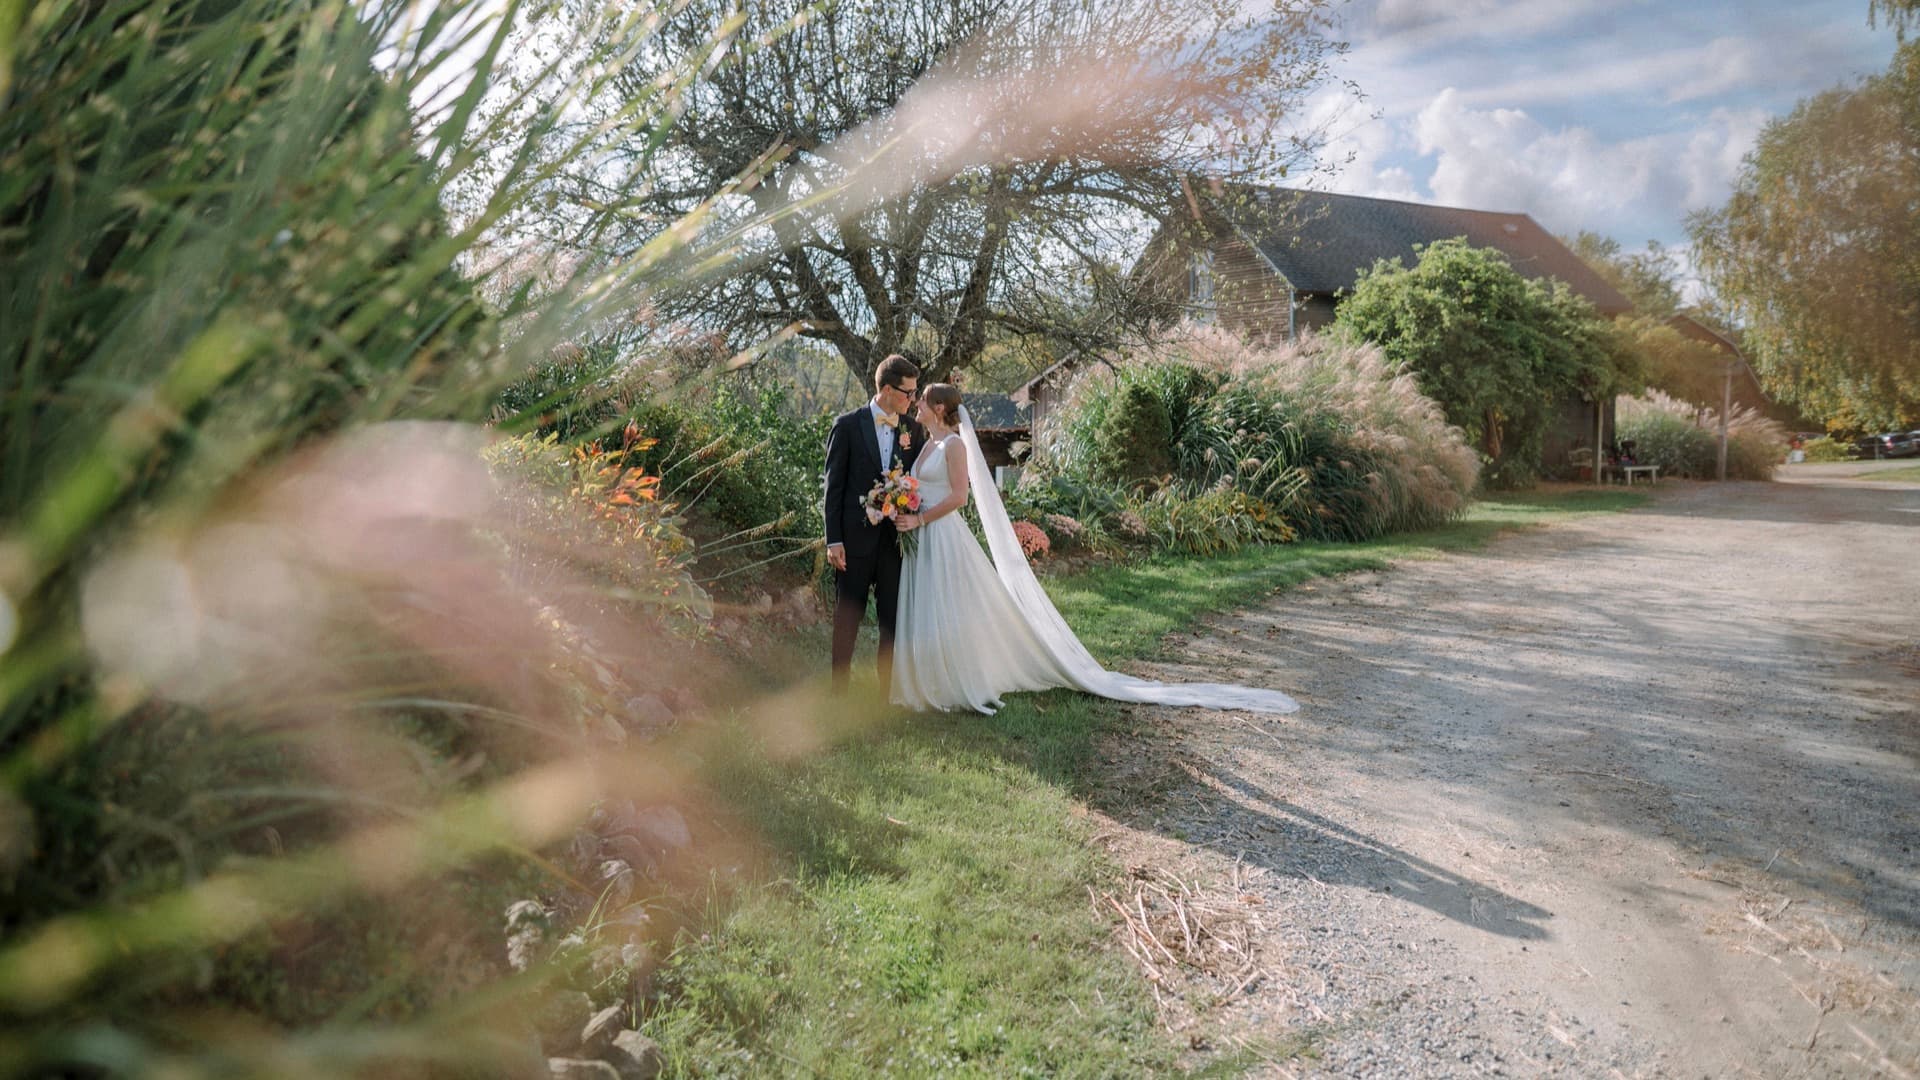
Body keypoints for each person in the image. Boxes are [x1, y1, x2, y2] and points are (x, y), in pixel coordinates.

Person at [890, 384, 1298, 716]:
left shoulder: (954, 447)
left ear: (939, 407)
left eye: (922, 399)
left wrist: (921, 519)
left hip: (940, 535)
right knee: (926, 604)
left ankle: (952, 681)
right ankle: (925, 679)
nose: (917, 405)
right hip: (918, 535)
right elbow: (918, 487)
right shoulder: (925, 445)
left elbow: (960, 497)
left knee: (946, 604)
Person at [822, 354, 926, 696]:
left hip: (895, 542)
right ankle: (839, 691)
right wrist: (833, 539)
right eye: (907, 393)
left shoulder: (913, 429)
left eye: (914, 393)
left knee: (891, 620)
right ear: (885, 388)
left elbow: (919, 480)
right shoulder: (848, 425)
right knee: (848, 616)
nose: (912, 400)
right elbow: (833, 487)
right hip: (853, 541)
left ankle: (886, 694)